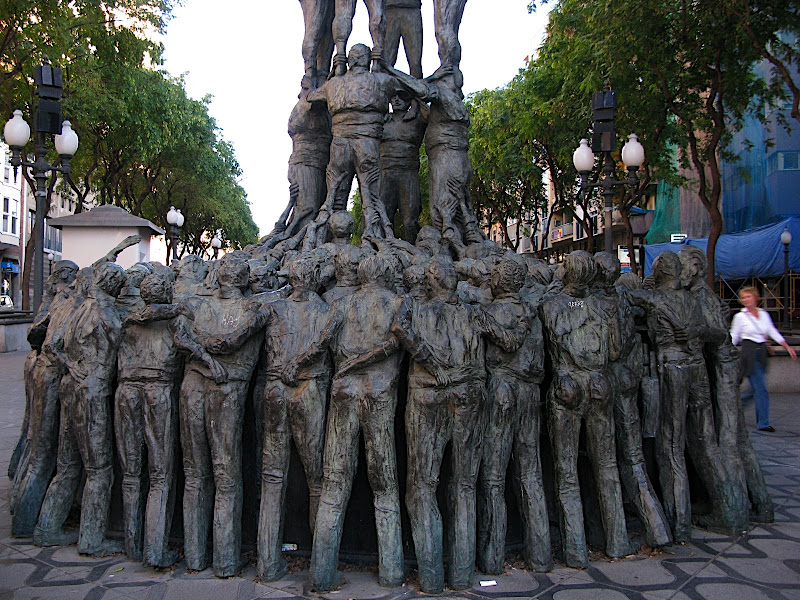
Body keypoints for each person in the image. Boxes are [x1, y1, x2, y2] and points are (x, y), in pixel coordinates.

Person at [730, 286, 797, 432]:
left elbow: (771, 331)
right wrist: (726, 351)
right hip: (749, 352)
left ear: (755, 298)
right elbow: (734, 336)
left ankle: (734, 408)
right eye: (744, 298)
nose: (746, 300)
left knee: (756, 388)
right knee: (761, 389)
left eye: (749, 297)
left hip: (762, 352)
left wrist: (786, 346)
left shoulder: (763, 314)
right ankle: (763, 422)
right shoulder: (740, 317)